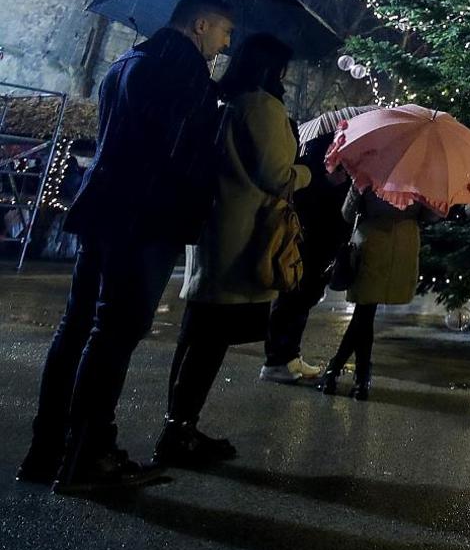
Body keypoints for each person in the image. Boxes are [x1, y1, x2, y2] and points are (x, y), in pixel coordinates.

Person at [19, 0, 233, 492]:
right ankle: (90, 456)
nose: (225, 44)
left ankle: (47, 450)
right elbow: (182, 154)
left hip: (103, 206)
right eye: (224, 32)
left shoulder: (128, 61)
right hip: (146, 218)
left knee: (76, 329)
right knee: (114, 333)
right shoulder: (183, 74)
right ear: (200, 25)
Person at [157, 34, 310, 466]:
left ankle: (178, 424)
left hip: (217, 227)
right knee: (210, 340)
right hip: (244, 235)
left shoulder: (224, 101)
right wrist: (308, 173)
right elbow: (277, 174)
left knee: (197, 333)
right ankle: (180, 431)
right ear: (270, 69)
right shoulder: (261, 106)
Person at [319, 185, 438, 400]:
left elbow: (347, 213)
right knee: (365, 313)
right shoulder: (419, 177)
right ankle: (357, 376)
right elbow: (429, 216)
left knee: (365, 311)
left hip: (373, 243)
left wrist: (356, 189)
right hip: (401, 245)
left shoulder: (371, 170)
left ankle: (339, 372)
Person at [261, 132, 352, 383]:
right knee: (292, 298)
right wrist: (328, 182)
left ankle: (290, 355)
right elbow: (301, 193)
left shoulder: (346, 154)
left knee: (305, 299)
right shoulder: (315, 150)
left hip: (327, 239)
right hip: (308, 237)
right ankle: (276, 360)